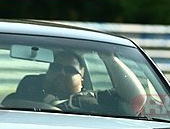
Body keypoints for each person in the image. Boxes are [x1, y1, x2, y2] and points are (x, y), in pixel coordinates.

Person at [12, 49, 146, 115]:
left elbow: (136, 100)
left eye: (70, 70)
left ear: (82, 78)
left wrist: (109, 58)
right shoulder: (30, 89)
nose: (61, 73)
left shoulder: (98, 99)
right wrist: (49, 108)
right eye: (56, 67)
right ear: (47, 73)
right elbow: (8, 105)